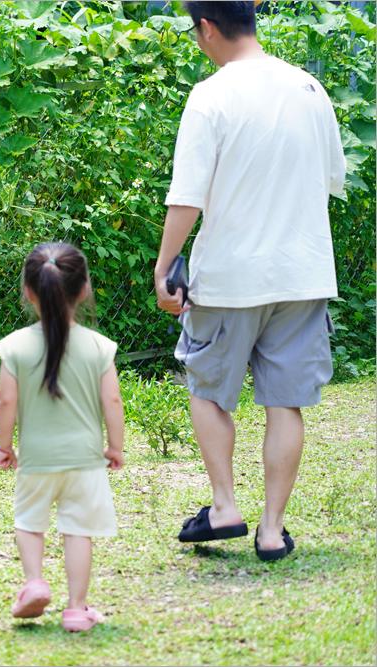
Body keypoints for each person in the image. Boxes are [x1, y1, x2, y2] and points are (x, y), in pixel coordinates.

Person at [154, 2, 346, 561]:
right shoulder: (310, 89)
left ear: (207, 27)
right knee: (286, 403)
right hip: (304, 274)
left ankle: (223, 507)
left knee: (209, 390)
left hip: (232, 277)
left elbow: (187, 195)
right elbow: (330, 178)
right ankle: (270, 530)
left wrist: (167, 266)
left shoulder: (212, 94)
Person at [0, 242, 125, 632]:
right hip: (85, 460)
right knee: (77, 529)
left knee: (30, 522)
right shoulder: (99, 347)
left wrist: (5, 446)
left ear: (28, 292)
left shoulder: (14, 346)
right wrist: (114, 446)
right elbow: (113, 400)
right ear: (83, 290)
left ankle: (34, 582)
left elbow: (4, 401)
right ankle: (77, 609)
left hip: (35, 460)